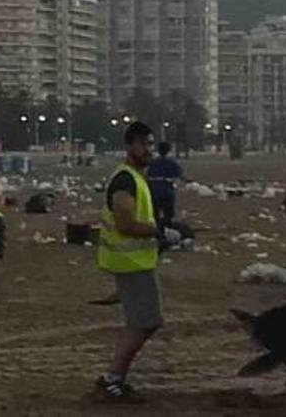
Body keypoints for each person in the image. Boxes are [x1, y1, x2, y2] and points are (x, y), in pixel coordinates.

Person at [94, 121, 182, 402]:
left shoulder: (135, 177)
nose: (148, 150)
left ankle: (113, 377)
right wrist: (160, 232)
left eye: (151, 144)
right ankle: (113, 378)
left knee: (143, 321)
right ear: (129, 146)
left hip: (137, 261)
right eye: (144, 144)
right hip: (129, 263)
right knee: (145, 322)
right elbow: (125, 223)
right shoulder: (125, 180)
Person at [146, 142, 183, 230]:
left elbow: (147, 174)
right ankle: (167, 230)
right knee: (168, 214)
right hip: (167, 191)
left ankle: (156, 230)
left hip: (154, 191)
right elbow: (179, 174)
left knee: (155, 214)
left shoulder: (153, 162)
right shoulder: (171, 163)